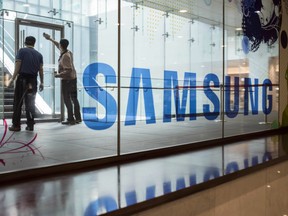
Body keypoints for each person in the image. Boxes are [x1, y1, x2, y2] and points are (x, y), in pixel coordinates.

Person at [43, 33, 81, 125]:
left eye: (59, 45)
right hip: (72, 79)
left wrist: (58, 75)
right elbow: (58, 45)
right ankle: (78, 118)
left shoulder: (65, 56)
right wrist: (50, 39)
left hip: (68, 80)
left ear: (61, 45)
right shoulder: (68, 52)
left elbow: (68, 69)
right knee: (74, 99)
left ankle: (71, 119)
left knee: (67, 99)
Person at [7, 36, 44, 132]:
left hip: (22, 79)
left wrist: (13, 78)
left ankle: (16, 125)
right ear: (34, 43)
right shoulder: (39, 55)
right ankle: (30, 125)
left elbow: (18, 66)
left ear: (25, 42)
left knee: (18, 102)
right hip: (33, 80)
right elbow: (41, 70)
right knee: (30, 103)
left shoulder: (21, 51)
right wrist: (42, 82)